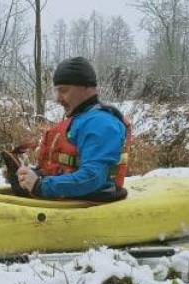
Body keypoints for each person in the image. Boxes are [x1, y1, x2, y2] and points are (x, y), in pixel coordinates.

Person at [8, 57, 131, 202]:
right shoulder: (82, 119)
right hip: (73, 196)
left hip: (94, 201)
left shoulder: (102, 124)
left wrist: (40, 186)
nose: (58, 98)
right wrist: (31, 176)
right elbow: (67, 167)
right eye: (57, 91)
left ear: (86, 88)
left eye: (64, 91)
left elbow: (93, 177)